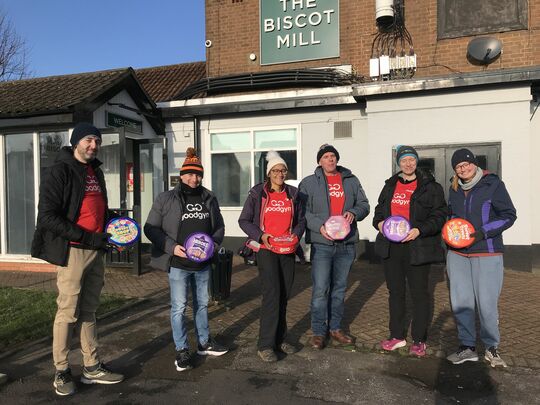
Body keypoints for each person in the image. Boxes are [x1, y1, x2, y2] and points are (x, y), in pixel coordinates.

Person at [31, 122, 124, 396]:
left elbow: (98, 209)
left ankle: (91, 366)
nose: (93, 145)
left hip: (96, 249)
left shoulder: (95, 170)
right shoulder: (58, 171)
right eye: (87, 140)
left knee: (89, 310)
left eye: (96, 140)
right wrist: (89, 238)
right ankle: (61, 370)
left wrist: (115, 230)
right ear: (75, 142)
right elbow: (48, 217)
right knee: (68, 312)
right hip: (73, 250)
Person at [144, 148, 228, 372]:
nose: (194, 178)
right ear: (181, 175)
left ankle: (204, 343)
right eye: (190, 174)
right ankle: (182, 350)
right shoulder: (166, 198)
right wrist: (172, 248)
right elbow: (150, 228)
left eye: (198, 174)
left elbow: (219, 227)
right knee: (179, 308)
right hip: (179, 265)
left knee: (202, 305)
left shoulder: (209, 198)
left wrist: (213, 247)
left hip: (202, 265)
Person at [373, 145, 448, 357]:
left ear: (416, 162)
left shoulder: (430, 187)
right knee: (395, 293)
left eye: (411, 160)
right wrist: (380, 224)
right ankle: (396, 336)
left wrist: (419, 230)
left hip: (417, 247)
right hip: (392, 248)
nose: (408, 164)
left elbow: (440, 215)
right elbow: (379, 212)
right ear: (399, 162)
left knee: (420, 294)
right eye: (404, 160)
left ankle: (419, 339)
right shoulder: (390, 185)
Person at [445, 148, 516, 368]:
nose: (463, 168)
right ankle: (467, 347)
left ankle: (491, 347)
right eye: (458, 166)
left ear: (474, 164)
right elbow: (452, 216)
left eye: (466, 164)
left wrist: (482, 233)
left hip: (486, 251)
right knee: (461, 303)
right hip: (457, 254)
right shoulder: (455, 188)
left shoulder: (492, 184)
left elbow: (508, 215)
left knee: (486, 303)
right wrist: (448, 232)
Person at [299, 144, 370, 350]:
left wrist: (355, 212)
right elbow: (303, 211)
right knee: (321, 290)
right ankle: (319, 332)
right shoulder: (309, 183)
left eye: (333, 156)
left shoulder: (351, 180)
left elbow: (364, 204)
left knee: (339, 290)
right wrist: (318, 226)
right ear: (319, 161)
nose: (330, 160)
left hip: (346, 244)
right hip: (322, 245)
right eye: (326, 157)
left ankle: (336, 328)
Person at [238, 150, 306, 362]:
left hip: (287, 250)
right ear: (269, 173)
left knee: (284, 294)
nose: (279, 174)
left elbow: (301, 221)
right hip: (267, 250)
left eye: (283, 170)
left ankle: (280, 339)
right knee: (272, 295)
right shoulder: (258, 193)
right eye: (275, 170)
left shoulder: (293, 194)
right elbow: (244, 220)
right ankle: (265, 344)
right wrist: (261, 235)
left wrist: (295, 235)